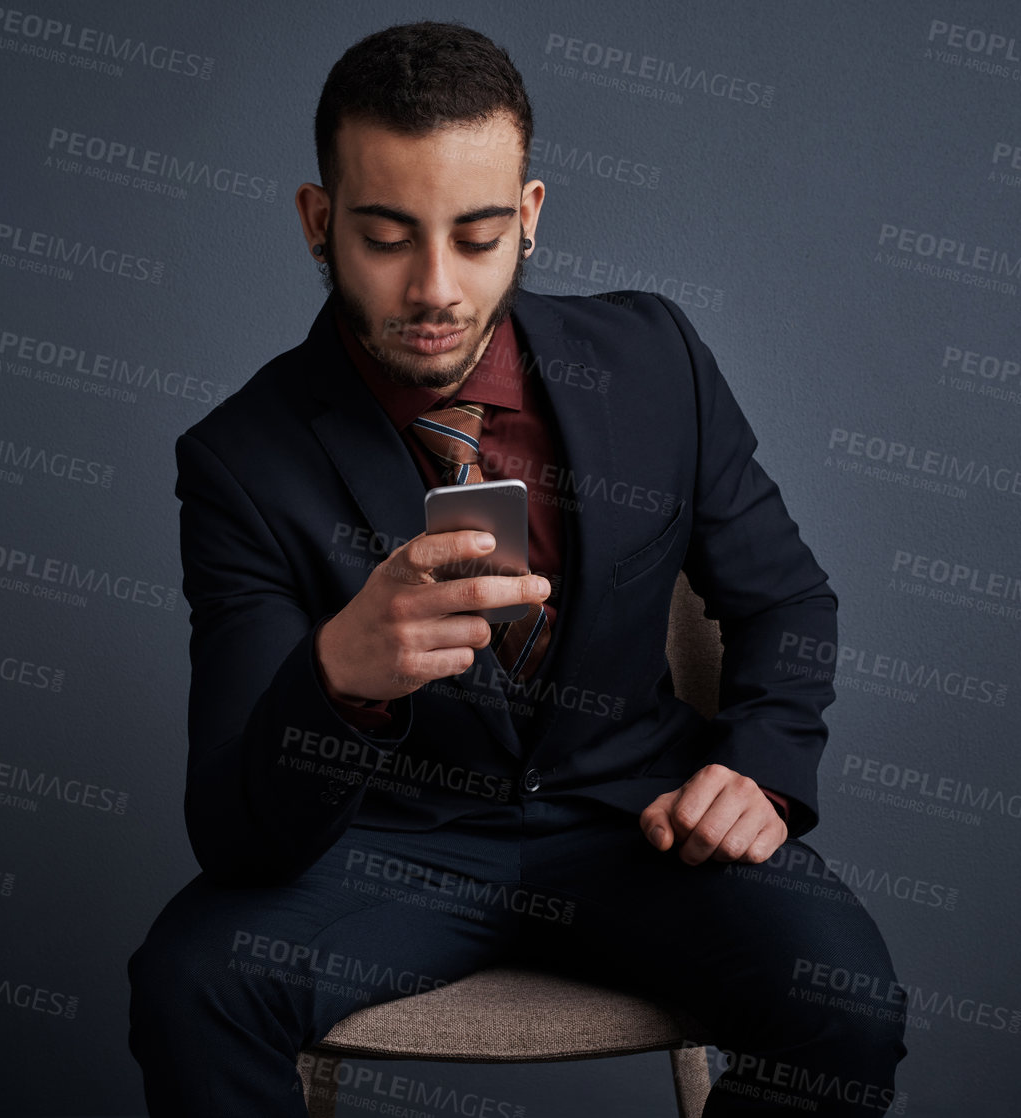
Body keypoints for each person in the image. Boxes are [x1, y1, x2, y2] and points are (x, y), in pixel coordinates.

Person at [128, 20, 907, 1116]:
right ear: (319, 223)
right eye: (388, 236)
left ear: (529, 219)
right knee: (188, 984)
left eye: (478, 235)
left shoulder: (656, 360)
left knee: (850, 1006)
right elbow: (237, 833)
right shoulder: (242, 461)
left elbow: (783, 598)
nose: (435, 288)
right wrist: (339, 675)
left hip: (641, 824)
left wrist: (762, 769)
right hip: (396, 850)